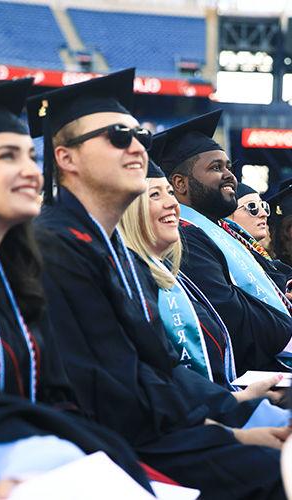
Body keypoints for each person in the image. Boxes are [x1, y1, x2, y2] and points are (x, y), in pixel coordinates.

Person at [28, 69, 291, 499]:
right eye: (116, 135)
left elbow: (156, 368)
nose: (135, 145)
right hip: (109, 447)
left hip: (155, 427)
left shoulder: (109, 246)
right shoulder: (57, 247)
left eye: (137, 134)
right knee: (272, 472)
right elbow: (111, 390)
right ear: (66, 159)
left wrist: (228, 411)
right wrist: (228, 428)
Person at [0, 78, 153, 495]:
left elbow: (55, 396)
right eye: (7, 156)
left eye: (31, 157)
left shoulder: (12, 282)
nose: (31, 172)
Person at [151, 109, 292, 375]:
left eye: (229, 167)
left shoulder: (223, 229)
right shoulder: (183, 237)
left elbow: (272, 275)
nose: (230, 176)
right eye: (216, 168)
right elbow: (232, 313)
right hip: (253, 375)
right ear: (180, 184)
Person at [226, 182, 292, 296]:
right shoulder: (226, 259)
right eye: (252, 207)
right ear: (226, 215)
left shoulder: (269, 263)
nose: (263, 213)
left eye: (263, 206)